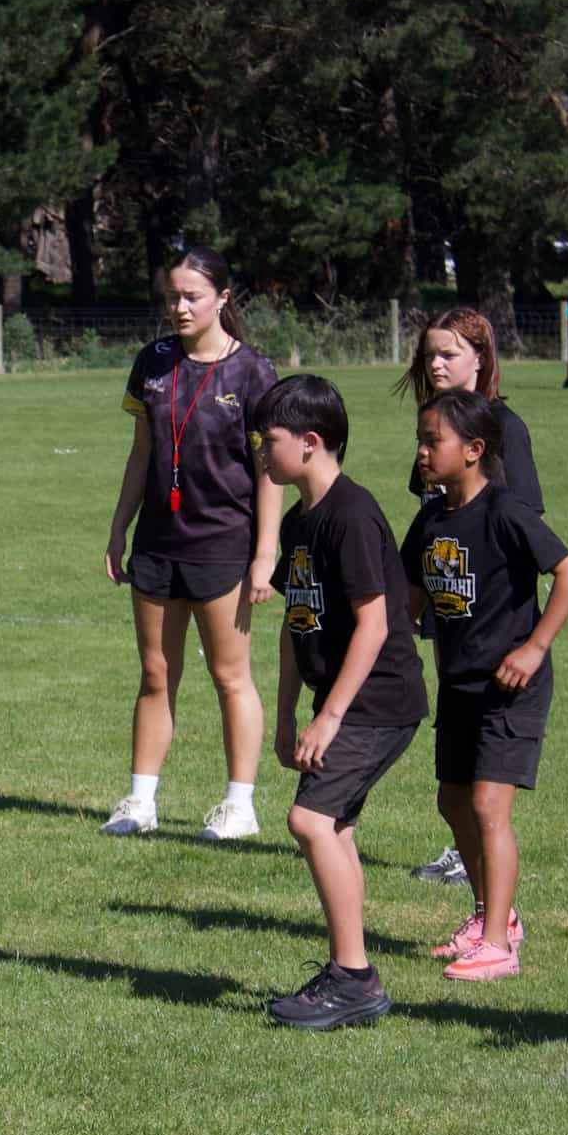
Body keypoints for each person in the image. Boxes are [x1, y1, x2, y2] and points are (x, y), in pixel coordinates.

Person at [255, 376, 428, 1029]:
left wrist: (329, 717)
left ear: (310, 441)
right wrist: (286, 715)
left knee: (310, 821)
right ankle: (350, 972)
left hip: (377, 698)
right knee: (335, 828)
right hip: (343, 698)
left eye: (269, 440)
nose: (261, 453)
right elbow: (293, 622)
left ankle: (353, 977)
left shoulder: (351, 515)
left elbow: (375, 626)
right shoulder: (299, 521)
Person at [400, 391, 568, 980]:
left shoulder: (506, 511)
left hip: (510, 687)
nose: (422, 451)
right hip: (459, 684)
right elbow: (409, 597)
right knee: (453, 802)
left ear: (474, 450)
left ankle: (500, 948)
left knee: (486, 805)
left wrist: (534, 648)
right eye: (420, 439)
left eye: (433, 441)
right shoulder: (430, 519)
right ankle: (492, 918)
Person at [101, 247, 282, 842]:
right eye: (172, 296)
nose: (179, 307)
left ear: (222, 299)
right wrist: (119, 526)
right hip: (157, 543)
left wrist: (265, 554)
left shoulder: (253, 371)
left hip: (223, 544)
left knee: (231, 678)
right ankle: (140, 802)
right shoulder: (153, 361)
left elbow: (270, 471)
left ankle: (240, 805)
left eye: (192, 297)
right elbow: (141, 452)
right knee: (156, 674)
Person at [396, 308, 545, 887]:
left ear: (481, 358)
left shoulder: (503, 426)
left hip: (491, 606)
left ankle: (480, 853)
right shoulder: (434, 424)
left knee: (489, 747)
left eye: (449, 354)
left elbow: (523, 521)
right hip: (447, 586)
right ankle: (465, 843)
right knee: (457, 722)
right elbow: (432, 508)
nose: (435, 364)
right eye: (429, 354)